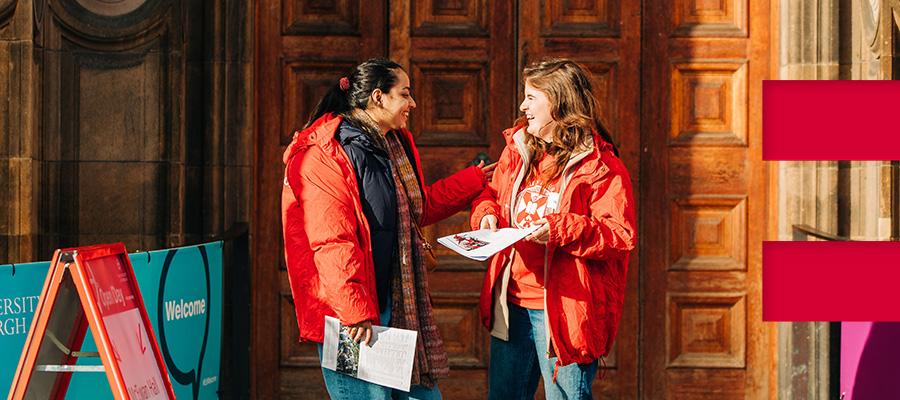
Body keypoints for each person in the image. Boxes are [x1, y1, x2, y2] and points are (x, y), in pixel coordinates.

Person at [281, 58, 494, 399]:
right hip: (349, 317)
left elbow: (411, 209)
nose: (412, 103)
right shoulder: (325, 153)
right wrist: (355, 312)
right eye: (405, 94)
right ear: (378, 97)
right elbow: (332, 238)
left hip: (393, 305)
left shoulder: (393, 144)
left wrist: (473, 181)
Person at [470, 58, 636, 400]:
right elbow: (491, 193)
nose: (522, 106)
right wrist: (486, 214)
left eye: (531, 97)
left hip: (565, 313)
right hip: (513, 306)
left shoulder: (603, 168)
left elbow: (619, 235)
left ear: (558, 102)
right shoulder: (518, 151)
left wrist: (559, 229)